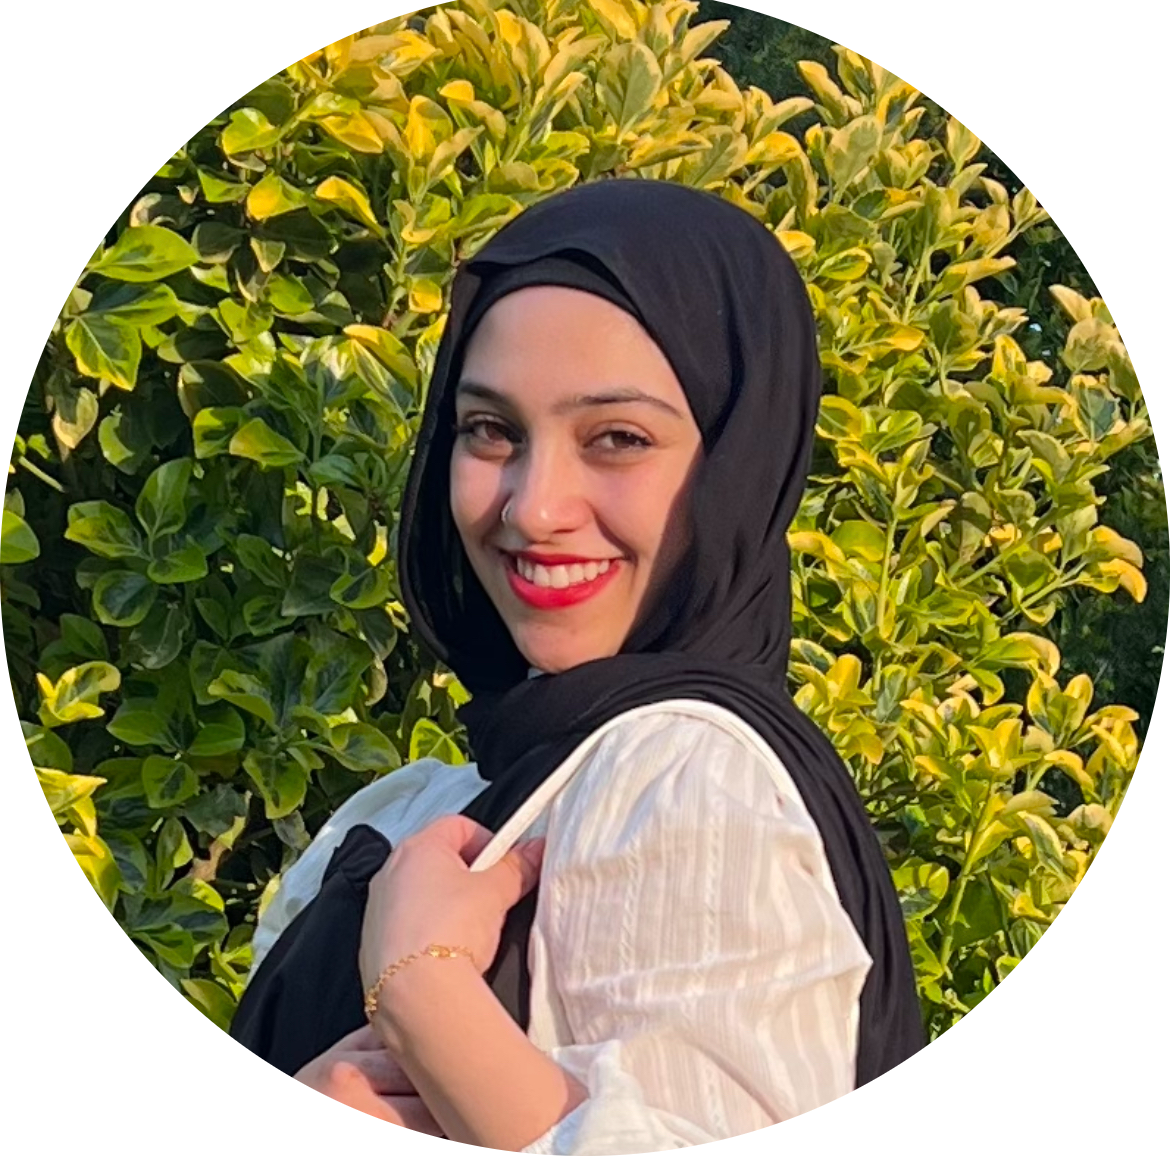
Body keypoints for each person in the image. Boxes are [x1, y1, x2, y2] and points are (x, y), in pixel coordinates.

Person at [228, 178, 926, 1149]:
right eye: (490, 430)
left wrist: (425, 993)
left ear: (738, 465)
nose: (533, 507)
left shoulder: (688, 779)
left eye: (618, 439)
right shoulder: (445, 797)